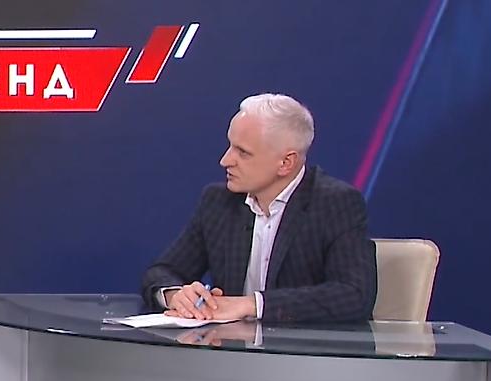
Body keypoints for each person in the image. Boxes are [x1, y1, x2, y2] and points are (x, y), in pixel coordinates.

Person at [140, 93, 377, 323]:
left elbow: (354, 295)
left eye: (243, 152)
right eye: (230, 146)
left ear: (286, 163)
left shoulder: (335, 203)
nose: (225, 160)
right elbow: (162, 272)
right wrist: (176, 295)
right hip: (228, 347)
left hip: (303, 348)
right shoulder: (219, 201)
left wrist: (252, 305)